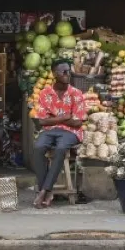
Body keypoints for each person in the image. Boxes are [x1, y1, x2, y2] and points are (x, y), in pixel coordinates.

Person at [32, 61, 87, 208]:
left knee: (61, 148)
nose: (67, 74)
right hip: (49, 130)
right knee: (38, 147)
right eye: (63, 72)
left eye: (68, 71)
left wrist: (53, 119)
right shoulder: (45, 93)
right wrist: (64, 118)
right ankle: (47, 190)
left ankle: (44, 190)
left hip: (71, 132)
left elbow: (78, 123)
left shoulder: (76, 94)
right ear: (55, 74)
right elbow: (42, 121)